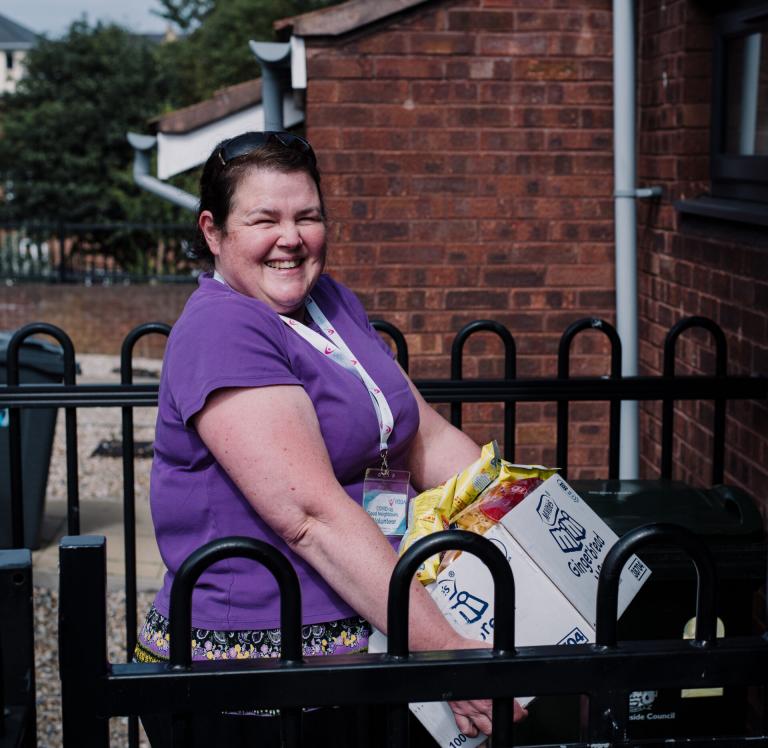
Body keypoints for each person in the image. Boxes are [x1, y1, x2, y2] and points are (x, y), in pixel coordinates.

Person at [135, 131, 525, 745]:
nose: (290, 238)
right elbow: (309, 517)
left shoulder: (329, 300)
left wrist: (545, 526)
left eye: (307, 216)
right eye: (264, 219)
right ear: (213, 232)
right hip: (262, 679)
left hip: (370, 634)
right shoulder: (222, 328)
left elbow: (423, 435)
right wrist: (445, 652)